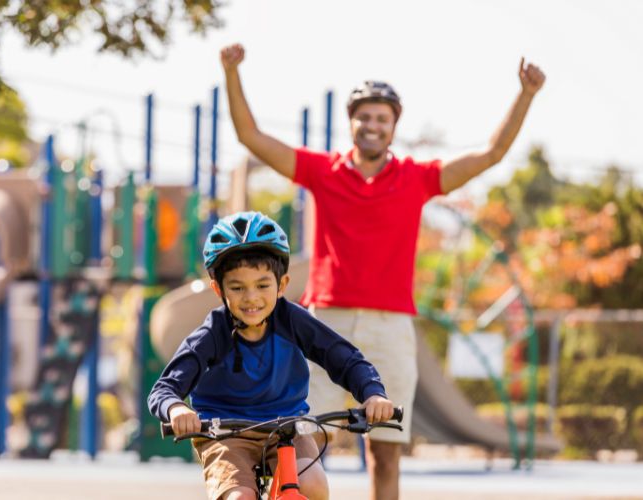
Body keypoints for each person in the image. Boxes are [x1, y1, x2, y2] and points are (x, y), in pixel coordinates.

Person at [220, 43, 546, 500]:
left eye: (381, 118)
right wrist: (231, 72)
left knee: (386, 451)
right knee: (302, 441)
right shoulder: (322, 171)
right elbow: (251, 137)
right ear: (352, 123)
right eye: (364, 117)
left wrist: (525, 94)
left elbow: (490, 155)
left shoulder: (418, 178)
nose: (372, 126)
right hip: (324, 321)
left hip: (390, 326)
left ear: (393, 127)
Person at [147, 211, 396, 500]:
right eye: (237, 288)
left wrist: (373, 393)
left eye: (262, 285)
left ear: (282, 285)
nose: (251, 297)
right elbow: (164, 389)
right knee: (240, 496)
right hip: (225, 434)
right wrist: (177, 409)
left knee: (312, 486)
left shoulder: (293, 321)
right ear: (218, 289)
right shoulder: (212, 333)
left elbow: (343, 357)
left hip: (287, 428)